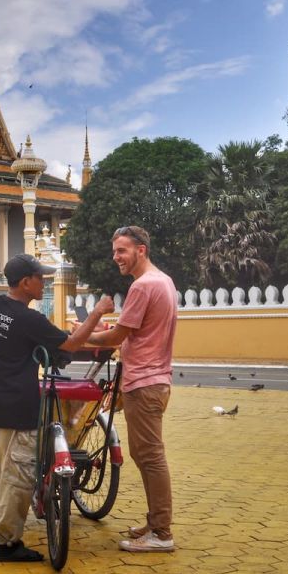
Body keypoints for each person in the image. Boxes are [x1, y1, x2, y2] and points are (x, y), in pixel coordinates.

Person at [0, 253, 101, 563]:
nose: (44, 282)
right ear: (25, 282)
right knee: (18, 477)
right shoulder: (29, 319)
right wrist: (96, 314)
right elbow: (71, 344)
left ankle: (0, 533)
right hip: (18, 408)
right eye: (39, 277)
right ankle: (6, 545)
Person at [84, 226, 178, 553]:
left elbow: (115, 339)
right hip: (155, 380)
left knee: (150, 456)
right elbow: (133, 330)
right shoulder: (164, 282)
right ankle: (155, 522)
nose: (116, 258)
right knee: (145, 453)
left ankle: (162, 534)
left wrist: (81, 337)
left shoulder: (142, 286)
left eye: (122, 251)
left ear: (141, 250)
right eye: (114, 252)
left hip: (144, 381)